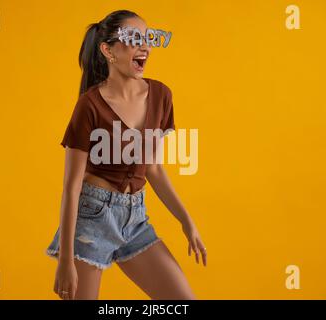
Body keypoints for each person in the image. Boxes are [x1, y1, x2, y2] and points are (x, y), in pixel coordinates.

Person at [46, 9, 207, 300]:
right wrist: (66, 261)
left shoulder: (161, 95)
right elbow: (71, 188)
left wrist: (186, 220)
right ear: (108, 50)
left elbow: (154, 169)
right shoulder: (90, 105)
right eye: (133, 38)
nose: (144, 45)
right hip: (91, 219)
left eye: (147, 38)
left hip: (135, 219)